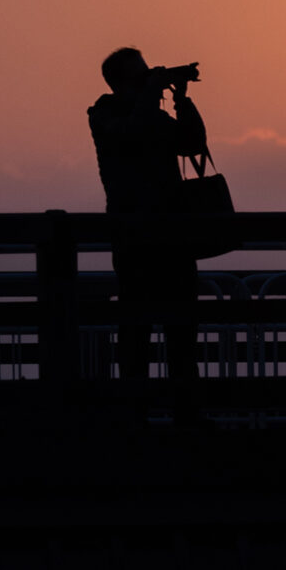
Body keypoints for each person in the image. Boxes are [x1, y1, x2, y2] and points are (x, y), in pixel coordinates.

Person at [87, 46, 208, 385]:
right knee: (135, 334)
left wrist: (181, 100)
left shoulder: (154, 116)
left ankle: (188, 417)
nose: (148, 81)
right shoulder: (104, 114)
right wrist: (152, 93)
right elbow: (129, 134)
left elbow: (193, 143)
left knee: (182, 334)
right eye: (141, 76)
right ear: (121, 83)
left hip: (174, 237)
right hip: (134, 239)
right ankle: (135, 417)